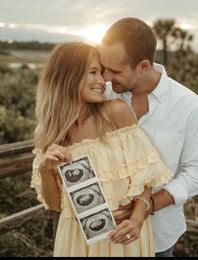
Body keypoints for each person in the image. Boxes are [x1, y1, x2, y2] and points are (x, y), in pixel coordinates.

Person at [30, 41, 172, 257]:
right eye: (93, 72)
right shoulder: (46, 133)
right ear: (69, 76)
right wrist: (45, 170)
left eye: (101, 72)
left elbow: (146, 178)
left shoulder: (116, 112)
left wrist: (136, 220)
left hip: (124, 236)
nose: (102, 81)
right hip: (77, 239)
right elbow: (56, 205)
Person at [99, 17, 198, 257]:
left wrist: (149, 205)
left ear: (143, 66)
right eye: (103, 68)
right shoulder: (102, 96)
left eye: (115, 71)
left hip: (159, 236)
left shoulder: (188, 105)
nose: (106, 78)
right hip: (104, 235)